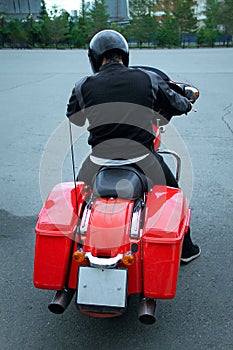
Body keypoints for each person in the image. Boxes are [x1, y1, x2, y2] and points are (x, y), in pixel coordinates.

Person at [66, 29, 200, 263]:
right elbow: (177, 103)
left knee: (77, 201)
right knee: (175, 196)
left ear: (95, 58)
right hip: (143, 158)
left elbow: (74, 118)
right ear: (124, 54)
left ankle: (68, 258)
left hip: (99, 160)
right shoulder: (148, 78)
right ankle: (186, 251)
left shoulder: (83, 85)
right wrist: (188, 103)